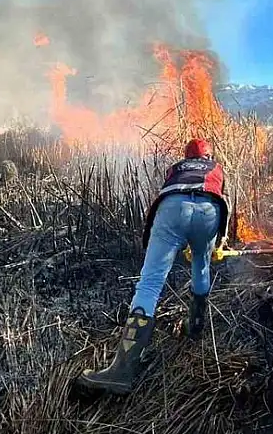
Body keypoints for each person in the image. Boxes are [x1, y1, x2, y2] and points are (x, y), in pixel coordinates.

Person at [74, 138, 231, 395]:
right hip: (209, 211)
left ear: (187, 155)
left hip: (173, 210)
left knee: (150, 283)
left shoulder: (176, 168)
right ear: (208, 155)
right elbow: (224, 198)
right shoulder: (215, 168)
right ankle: (195, 326)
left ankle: (121, 371)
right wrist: (221, 240)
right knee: (202, 266)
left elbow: (169, 192)